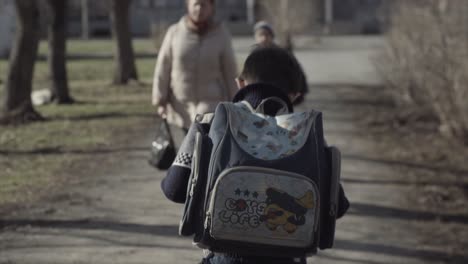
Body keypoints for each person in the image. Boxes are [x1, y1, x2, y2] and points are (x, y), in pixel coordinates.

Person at [161, 46, 350, 264]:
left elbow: (174, 189)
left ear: (240, 83)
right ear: (295, 95)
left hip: (225, 257)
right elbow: (338, 206)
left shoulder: (210, 124)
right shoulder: (307, 136)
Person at [152, 0, 238, 132]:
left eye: (204, 4)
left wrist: (236, 103)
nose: (199, 8)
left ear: (211, 7)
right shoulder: (174, 32)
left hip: (211, 109)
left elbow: (231, 72)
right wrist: (160, 99)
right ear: (188, 6)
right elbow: (163, 67)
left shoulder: (221, 34)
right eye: (195, 4)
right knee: (183, 151)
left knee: (208, 150)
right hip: (180, 108)